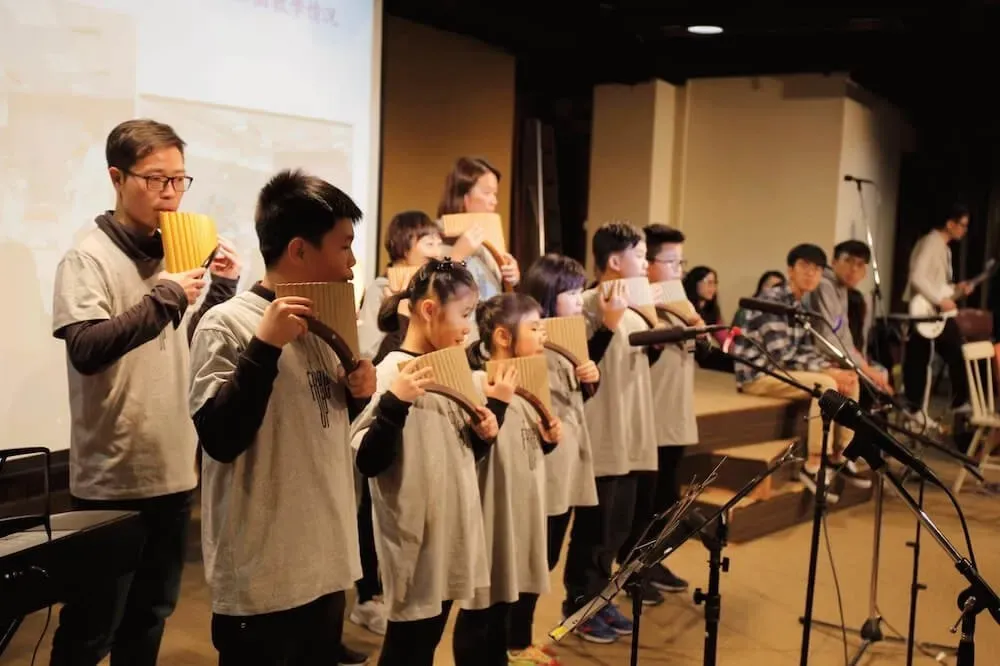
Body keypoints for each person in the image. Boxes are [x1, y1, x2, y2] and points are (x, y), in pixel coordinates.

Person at [49, 118, 241, 666]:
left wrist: (220, 286)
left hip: (175, 468)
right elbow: (86, 348)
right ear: (117, 177)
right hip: (111, 476)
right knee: (91, 625)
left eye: (180, 180)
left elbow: (192, 340)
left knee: (152, 613)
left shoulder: (180, 252)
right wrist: (164, 296)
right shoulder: (87, 258)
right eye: (156, 180)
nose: (170, 194)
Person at [188, 169, 376, 665]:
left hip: (326, 564)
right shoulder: (226, 323)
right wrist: (265, 346)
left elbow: (320, 426)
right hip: (262, 576)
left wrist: (357, 392)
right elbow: (220, 438)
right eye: (344, 246)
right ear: (298, 250)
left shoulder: (327, 322)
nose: (353, 262)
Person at [351, 259, 504, 666]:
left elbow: (461, 453)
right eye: (465, 314)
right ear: (429, 310)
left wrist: (483, 434)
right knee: (407, 648)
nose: (469, 327)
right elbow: (368, 461)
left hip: (454, 530)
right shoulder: (387, 374)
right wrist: (394, 404)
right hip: (413, 540)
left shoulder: (459, 372)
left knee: (427, 643)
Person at [458, 294, 563, 666]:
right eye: (534, 328)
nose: (543, 336)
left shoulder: (530, 376)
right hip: (491, 511)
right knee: (480, 609)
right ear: (503, 337)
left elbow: (525, 444)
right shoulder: (477, 382)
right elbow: (473, 449)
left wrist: (548, 441)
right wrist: (497, 403)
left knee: (507, 602)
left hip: (523, 506)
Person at [566, 221, 658, 643]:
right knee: (595, 528)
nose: (645, 263)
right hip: (603, 435)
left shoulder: (635, 307)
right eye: (640, 255)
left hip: (632, 431)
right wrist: (606, 322)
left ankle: (601, 599)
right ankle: (580, 605)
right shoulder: (584, 303)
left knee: (618, 527)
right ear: (616, 261)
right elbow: (579, 367)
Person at [352, 211, 443, 636]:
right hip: (384, 386)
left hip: (418, 388)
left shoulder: (435, 289)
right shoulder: (380, 287)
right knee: (376, 501)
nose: (438, 250)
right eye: (429, 243)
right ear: (405, 244)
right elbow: (369, 346)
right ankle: (370, 594)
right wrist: (398, 307)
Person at [508, 254, 600, 663]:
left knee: (546, 556)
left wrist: (589, 380)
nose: (581, 300)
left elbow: (575, 400)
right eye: (572, 293)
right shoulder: (529, 342)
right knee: (532, 557)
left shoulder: (570, 337)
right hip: (543, 460)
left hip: (568, 454)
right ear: (548, 297)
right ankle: (514, 641)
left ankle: (519, 637)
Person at [730, 244, 866, 502]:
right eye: (805, 266)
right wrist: (828, 373)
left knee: (850, 378)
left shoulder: (799, 304)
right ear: (790, 270)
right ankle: (813, 464)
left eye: (817, 269)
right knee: (824, 384)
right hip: (758, 374)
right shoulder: (771, 300)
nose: (811, 273)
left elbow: (804, 351)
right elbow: (781, 355)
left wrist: (835, 370)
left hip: (782, 370)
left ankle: (841, 455)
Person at [619, 224, 697, 607]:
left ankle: (652, 560)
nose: (678, 270)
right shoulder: (638, 300)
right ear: (647, 264)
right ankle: (632, 569)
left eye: (682, 262)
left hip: (675, 414)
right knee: (643, 503)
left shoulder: (677, 296)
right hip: (648, 416)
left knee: (667, 498)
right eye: (671, 261)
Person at [902, 204, 972, 418]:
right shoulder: (932, 242)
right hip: (926, 311)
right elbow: (918, 277)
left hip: (933, 311)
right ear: (949, 223)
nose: (964, 230)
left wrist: (957, 290)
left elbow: (936, 283)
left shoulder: (944, 247)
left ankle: (920, 410)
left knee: (924, 358)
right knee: (926, 358)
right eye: (962, 225)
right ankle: (922, 410)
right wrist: (940, 300)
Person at [804, 239, 893, 395]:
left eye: (859, 265)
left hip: (832, 357)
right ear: (834, 262)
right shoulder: (824, 285)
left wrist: (862, 363)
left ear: (864, 272)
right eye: (848, 261)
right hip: (815, 356)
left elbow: (843, 334)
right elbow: (827, 339)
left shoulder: (841, 288)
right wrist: (863, 368)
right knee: (864, 380)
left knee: (878, 374)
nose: (853, 269)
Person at [357, 210, 443, 362]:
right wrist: (399, 315)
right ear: (403, 247)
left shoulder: (429, 287)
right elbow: (368, 355)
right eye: (430, 244)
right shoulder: (380, 288)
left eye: (439, 244)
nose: (437, 253)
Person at [436, 156, 521, 305]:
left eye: (495, 194)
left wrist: (512, 280)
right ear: (463, 197)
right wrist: (457, 255)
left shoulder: (490, 239)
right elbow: (434, 291)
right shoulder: (433, 240)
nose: (494, 201)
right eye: (487, 193)